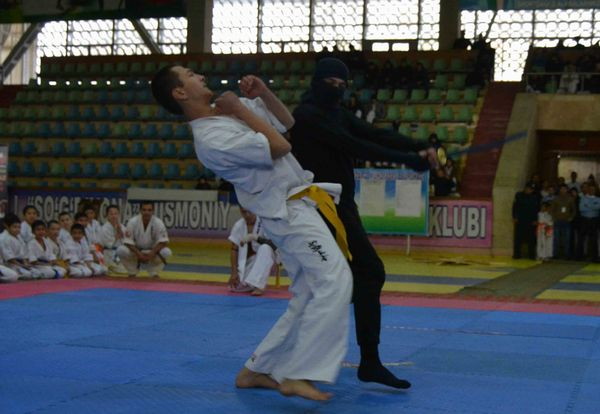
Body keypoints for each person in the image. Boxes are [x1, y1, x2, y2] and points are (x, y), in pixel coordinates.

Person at [151, 65, 354, 401]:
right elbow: (280, 147)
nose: (200, 75)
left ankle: (257, 369)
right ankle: (298, 373)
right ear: (180, 92)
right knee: (336, 279)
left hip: (296, 206)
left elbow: (286, 124)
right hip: (287, 214)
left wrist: (263, 95)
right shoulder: (212, 139)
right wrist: (240, 109)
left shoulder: (225, 114)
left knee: (308, 292)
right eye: (190, 74)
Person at [290, 57, 435, 390]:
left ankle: (362, 359)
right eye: (331, 83)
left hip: (342, 205)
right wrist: (409, 161)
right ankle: (361, 359)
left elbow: (373, 133)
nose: (337, 89)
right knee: (365, 274)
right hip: (320, 207)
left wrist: (421, 145)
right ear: (317, 82)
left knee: (355, 279)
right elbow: (354, 145)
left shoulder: (337, 113)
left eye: (342, 85)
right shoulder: (307, 116)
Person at [228, 206, 277, 296]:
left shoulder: (265, 223)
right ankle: (254, 282)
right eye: (244, 212)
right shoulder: (239, 226)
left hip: (270, 258)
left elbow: (274, 246)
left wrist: (255, 237)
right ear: (240, 211)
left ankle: (259, 286)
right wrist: (234, 272)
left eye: (249, 212)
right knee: (237, 287)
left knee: (265, 248)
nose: (247, 215)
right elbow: (234, 249)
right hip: (251, 261)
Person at [116, 201, 172, 278]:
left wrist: (152, 253)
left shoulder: (158, 222)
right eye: (144, 210)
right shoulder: (133, 222)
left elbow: (163, 241)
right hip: (135, 251)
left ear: (153, 211)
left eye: (149, 210)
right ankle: (132, 271)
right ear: (140, 210)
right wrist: (139, 254)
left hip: (152, 252)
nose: (147, 212)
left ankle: (154, 271)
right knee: (121, 250)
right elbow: (128, 242)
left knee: (167, 252)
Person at [0, 213, 39, 279]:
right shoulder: (3, 238)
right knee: (15, 276)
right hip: (9, 264)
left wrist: (25, 263)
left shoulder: (19, 237)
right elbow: (10, 259)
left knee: (36, 273)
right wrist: (22, 265)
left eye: (19, 227)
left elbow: (23, 254)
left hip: (18, 264)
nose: (17, 229)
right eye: (15, 227)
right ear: (7, 226)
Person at [512, 183, 539, 259]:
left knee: (531, 239)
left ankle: (531, 255)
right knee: (518, 238)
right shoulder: (519, 195)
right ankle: (517, 254)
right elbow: (515, 207)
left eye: (531, 189)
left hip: (530, 221)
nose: (529, 190)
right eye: (528, 188)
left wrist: (535, 219)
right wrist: (514, 217)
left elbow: (536, 209)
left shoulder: (534, 197)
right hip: (520, 220)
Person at [99, 204, 128, 273]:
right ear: (107, 216)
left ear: (119, 215)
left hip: (120, 254)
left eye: (116, 214)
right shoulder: (104, 228)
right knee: (125, 271)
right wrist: (116, 237)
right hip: (110, 254)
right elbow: (108, 245)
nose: (114, 216)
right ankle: (110, 266)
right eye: (111, 214)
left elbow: (126, 241)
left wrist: (120, 231)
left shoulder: (121, 226)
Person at [550, 184, 575, 260]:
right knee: (556, 239)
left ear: (567, 190)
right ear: (559, 190)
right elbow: (552, 209)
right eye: (562, 189)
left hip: (566, 221)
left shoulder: (570, 199)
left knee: (566, 239)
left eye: (564, 189)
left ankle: (566, 255)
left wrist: (571, 217)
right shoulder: (556, 198)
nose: (563, 190)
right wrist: (554, 218)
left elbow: (574, 210)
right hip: (557, 221)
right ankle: (555, 254)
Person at [577, 183, 600, 261]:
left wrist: (587, 205)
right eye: (590, 189)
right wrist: (593, 206)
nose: (592, 190)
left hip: (594, 220)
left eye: (593, 189)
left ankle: (594, 257)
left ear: (596, 190)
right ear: (588, 190)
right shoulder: (583, 198)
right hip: (584, 219)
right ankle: (579, 256)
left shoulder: (598, 199)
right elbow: (581, 209)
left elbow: (598, 207)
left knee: (594, 239)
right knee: (581, 239)